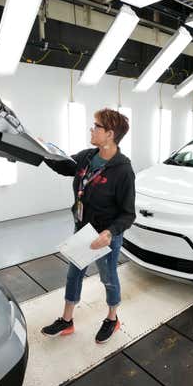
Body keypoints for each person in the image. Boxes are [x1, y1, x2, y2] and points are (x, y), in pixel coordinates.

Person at [41, 108, 135, 343]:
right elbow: (64, 166)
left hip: (105, 235)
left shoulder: (123, 170)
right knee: (74, 275)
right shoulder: (87, 157)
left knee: (108, 277)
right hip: (82, 229)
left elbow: (128, 214)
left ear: (110, 134)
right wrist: (43, 151)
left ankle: (112, 319)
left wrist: (109, 233)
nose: (91, 130)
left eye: (96, 126)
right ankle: (67, 320)